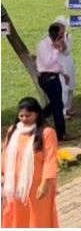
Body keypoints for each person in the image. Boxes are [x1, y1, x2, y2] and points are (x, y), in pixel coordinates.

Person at [1, 97, 60, 228]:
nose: (24, 119)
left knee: (38, 218)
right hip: (14, 186)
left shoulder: (47, 133)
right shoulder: (13, 131)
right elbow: (5, 154)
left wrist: (45, 184)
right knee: (15, 217)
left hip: (37, 185)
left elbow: (50, 159)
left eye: (28, 115)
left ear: (37, 114)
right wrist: (2, 175)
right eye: (21, 115)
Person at [35, 22, 71, 140]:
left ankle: (38, 117)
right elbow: (48, 63)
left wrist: (64, 74)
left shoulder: (57, 43)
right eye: (61, 34)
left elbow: (58, 62)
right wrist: (56, 50)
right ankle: (61, 133)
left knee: (58, 104)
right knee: (57, 106)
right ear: (54, 33)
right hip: (47, 78)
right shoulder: (43, 45)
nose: (62, 37)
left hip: (55, 76)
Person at [53, 16, 78, 120]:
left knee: (71, 86)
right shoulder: (51, 38)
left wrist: (63, 41)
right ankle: (62, 112)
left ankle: (68, 107)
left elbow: (67, 51)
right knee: (64, 88)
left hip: (69, 62)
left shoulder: (68, 36)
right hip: (59, 65)